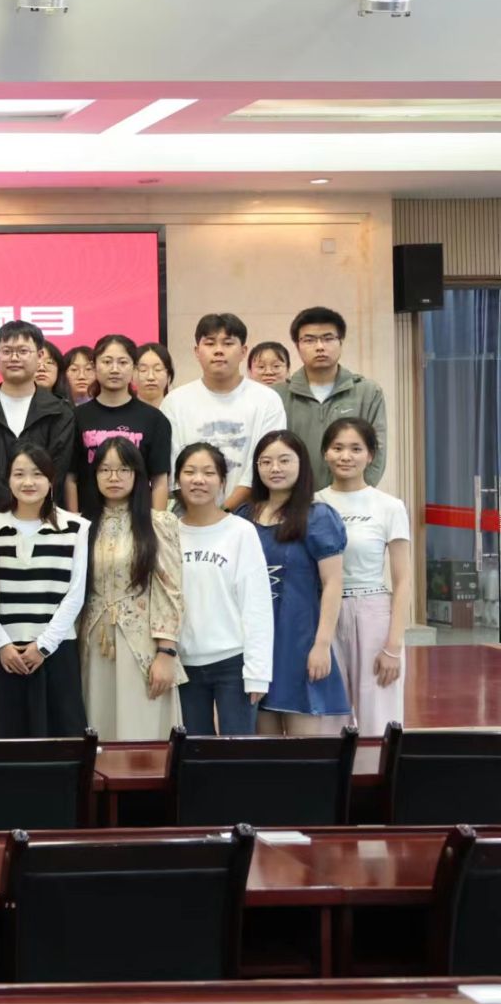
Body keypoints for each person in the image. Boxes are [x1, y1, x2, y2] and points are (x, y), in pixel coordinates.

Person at [243, 431, 350, 735]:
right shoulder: (243, 517)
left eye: (284, 460)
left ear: (301, 464)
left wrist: (322, 645)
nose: (275, 468)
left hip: (301, 641)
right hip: (255, 647)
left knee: (305, 750)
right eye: (266, 462)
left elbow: (333, 583)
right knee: (261, 748)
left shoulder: (318, 516)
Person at [78, 437, 186, 741]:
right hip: (93, 643)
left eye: (123, 469)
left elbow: (171, 589)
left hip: (142, 646)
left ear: (138, 474)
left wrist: (166, 652)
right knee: (98, 728)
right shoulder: (82, 527)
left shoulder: (158, 523)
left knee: (142, 730)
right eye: (105, 470)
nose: (114, 477)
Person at [0, 445, 90, 738]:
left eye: (37, 474)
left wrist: (44, 646)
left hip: (56, 651)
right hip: (4, 654)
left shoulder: (76, 527)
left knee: (61, 741)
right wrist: (1, 644)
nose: (28, 482)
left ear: (51, 480)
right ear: (7, 479)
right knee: (6, 740)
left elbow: (75, 594)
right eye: (19, 474)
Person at [173, 443, 275, 736]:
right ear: (177, 480)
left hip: (233, 664)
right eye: (190, 472)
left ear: (222, 481)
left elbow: (256, 604)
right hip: (184, 665)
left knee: (236, 752)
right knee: (193, 752)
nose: (198, 480)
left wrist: (257, 673)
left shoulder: (241, 532)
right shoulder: (168, 532)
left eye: (208, 473)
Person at [317, 418, 409, 737]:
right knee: (328, 717)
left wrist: (393, 646)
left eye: (356, 449)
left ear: (370, 456)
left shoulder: (390, 507)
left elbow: (403, 581)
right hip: (324, 614)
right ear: (325, 453)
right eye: (337, 448)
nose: (346, 456)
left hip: (373, 612)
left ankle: (378, 771)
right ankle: (336, 772)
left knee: (378, 718)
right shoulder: (313, 503)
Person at [160, 314, 287, 512]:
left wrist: (223, 512)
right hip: (189, 512)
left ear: (243, 351)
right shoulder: (175, 402)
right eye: (210, 343)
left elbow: (266, 461)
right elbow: (173, 466)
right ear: (197, 351)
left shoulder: (267, 400)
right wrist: (204, 515)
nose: (219, 350)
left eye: (228, 343)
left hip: (252, 511)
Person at [0, 321, 78, 513]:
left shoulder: (60, 412)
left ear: (39, 356)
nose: (14, 358)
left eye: (23, 351)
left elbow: (58, 469)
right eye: (6, 351)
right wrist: (11, 505)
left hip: (43, 516)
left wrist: (28, 505)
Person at [281, 306, 389, 487]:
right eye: (309, 340)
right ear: (297, 346)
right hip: (295, 500)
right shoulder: (279, 394)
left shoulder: (368, 392)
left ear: (341, 342)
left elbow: (377, 450)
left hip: (351, 498)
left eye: (328, 338)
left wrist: (356, 493)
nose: (320, 347)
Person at [71, 334, 174, 514]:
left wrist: (157, 522)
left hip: (139, 520)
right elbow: (70, 477)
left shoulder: (154, 419)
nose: (114, 369)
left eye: (123, 362)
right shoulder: (76, 417)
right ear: (94, 367)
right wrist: (73, 522)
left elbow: (159, 480)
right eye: (107, 362)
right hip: (88, 519)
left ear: (134, 368)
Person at [134, 342, 174, 407]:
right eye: (143, 370)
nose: (151, 377)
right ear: (131, 377)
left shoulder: (176, 410)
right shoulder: (121, 412)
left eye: (158, 369)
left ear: (169, 377)